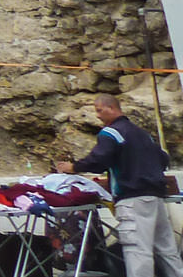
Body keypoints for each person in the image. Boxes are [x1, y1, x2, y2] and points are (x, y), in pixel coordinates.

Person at [55, 95, 183, 277]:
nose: (97, 115)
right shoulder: (143, 134)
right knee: (167, 250)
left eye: (99, 110)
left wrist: (74, 167)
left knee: (138, 252)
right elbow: (163, 159)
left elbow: (99, 159)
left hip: (132, 199)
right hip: (156, 197)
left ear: (111, 108)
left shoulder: (110, 133)